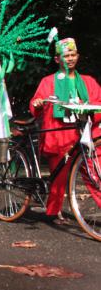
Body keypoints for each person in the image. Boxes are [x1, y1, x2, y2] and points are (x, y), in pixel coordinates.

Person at [30, 37, 101, 224]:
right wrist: (37, 104)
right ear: (57, 59)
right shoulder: (47, 82)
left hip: (85, 134)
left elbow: (98, 105)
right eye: (65, 55)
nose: (69, 58)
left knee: (95, 173)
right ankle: (53, 212)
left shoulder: (88, 81)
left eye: (72, 55)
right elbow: (36, 105)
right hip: (60, 134)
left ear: (77, 56)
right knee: (59, 177)